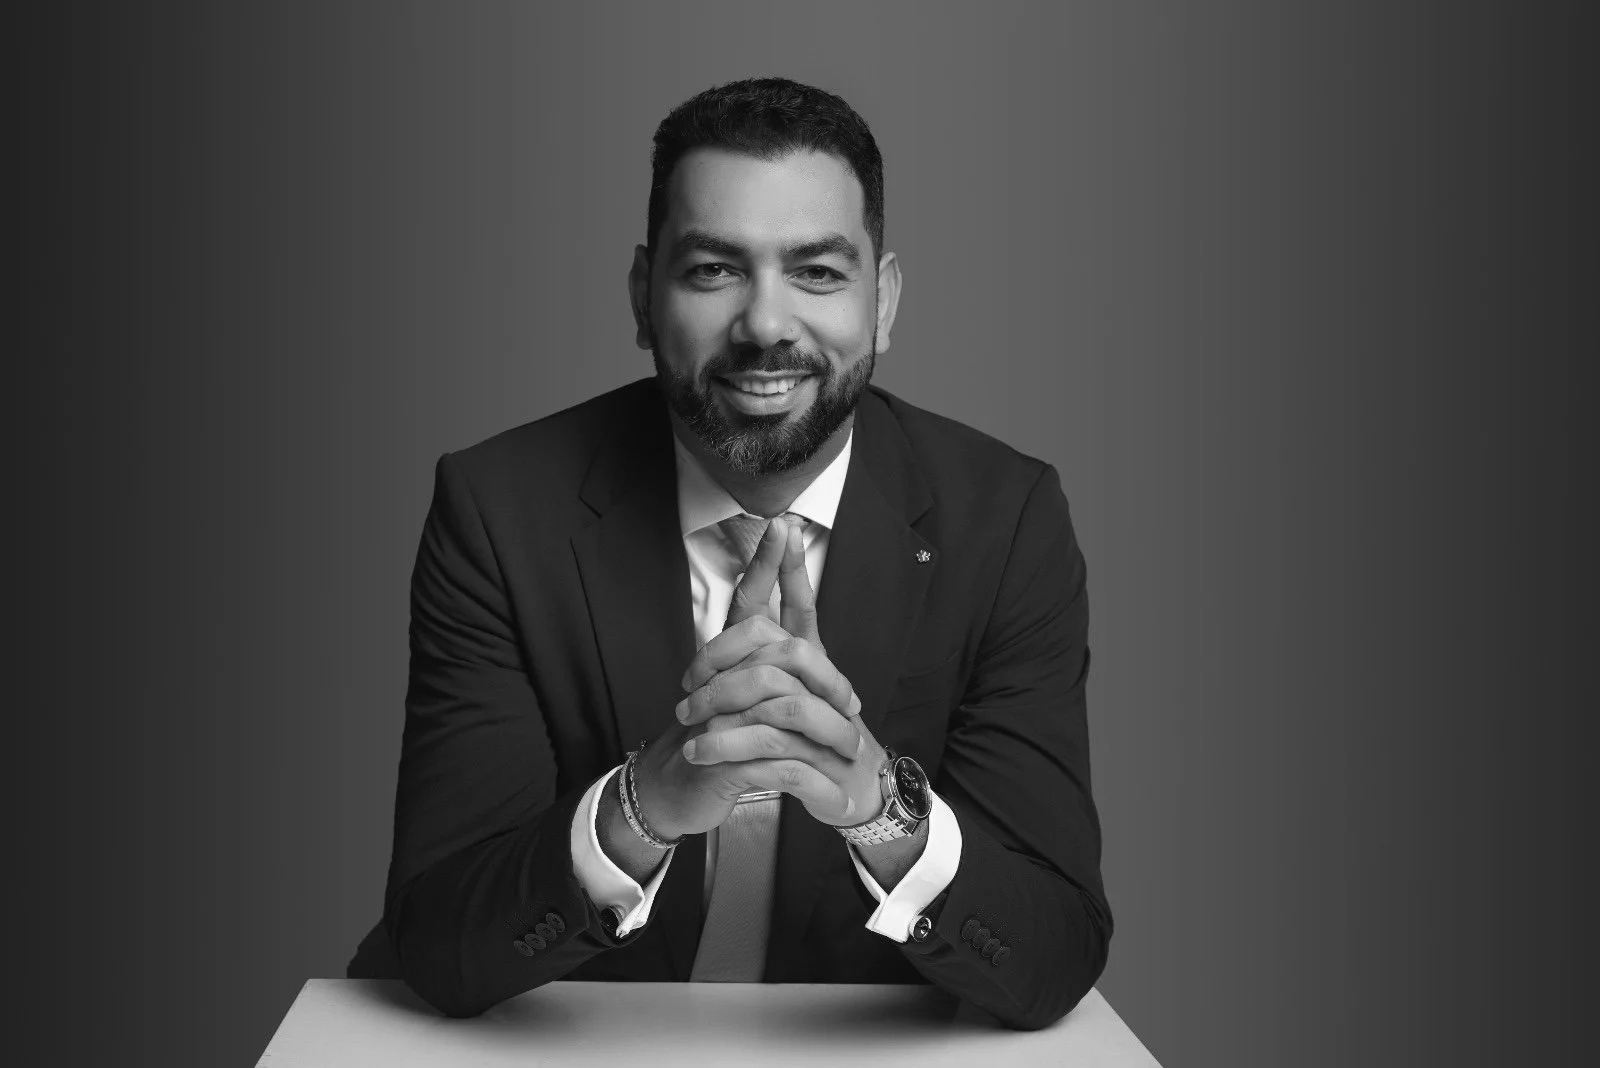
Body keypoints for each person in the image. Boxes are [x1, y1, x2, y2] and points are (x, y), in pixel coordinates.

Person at [347, 76, 1111, 1031]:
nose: (766, 325)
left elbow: (1053, 952)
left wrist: (878, 808)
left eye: (818, 272)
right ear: (644, 295)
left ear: (883, 302)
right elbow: (441, 941)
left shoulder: (1006, 522)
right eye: (713, 270)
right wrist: (644, 807)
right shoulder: (499, 511)